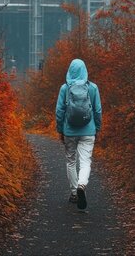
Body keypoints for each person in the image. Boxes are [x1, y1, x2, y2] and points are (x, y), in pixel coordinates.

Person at [55, 59, 102, 210]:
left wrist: (60, 129)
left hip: (69, 131)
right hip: (88, 131)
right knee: (85, 161)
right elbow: (98, 111)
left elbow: (59, 112)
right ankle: (82, 184)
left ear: (69, 71)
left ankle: (74, 192)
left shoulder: (64, 89)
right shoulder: (93, 88)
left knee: (71, 161)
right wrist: (97, 128)